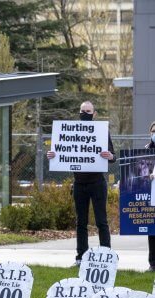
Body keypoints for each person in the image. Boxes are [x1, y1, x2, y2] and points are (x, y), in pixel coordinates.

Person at [47, 101, 115, 265]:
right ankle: (80, 257)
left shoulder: (101, 131)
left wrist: (110, 156)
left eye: (88, 111)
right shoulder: (70, 132)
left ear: (94, 113)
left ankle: (106, 256)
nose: (85, 113)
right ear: (79, 113)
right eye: (83, 111)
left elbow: (113, 156)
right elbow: (63, 153)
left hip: (97, 183)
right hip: (79, 184)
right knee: (81, 223)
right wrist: (53, 155)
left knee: (101, 222)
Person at [146, 121, 155, 271]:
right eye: (153, 131)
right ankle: (153, 263)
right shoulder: (146, 150)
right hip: (152, 196)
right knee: (152, 231)